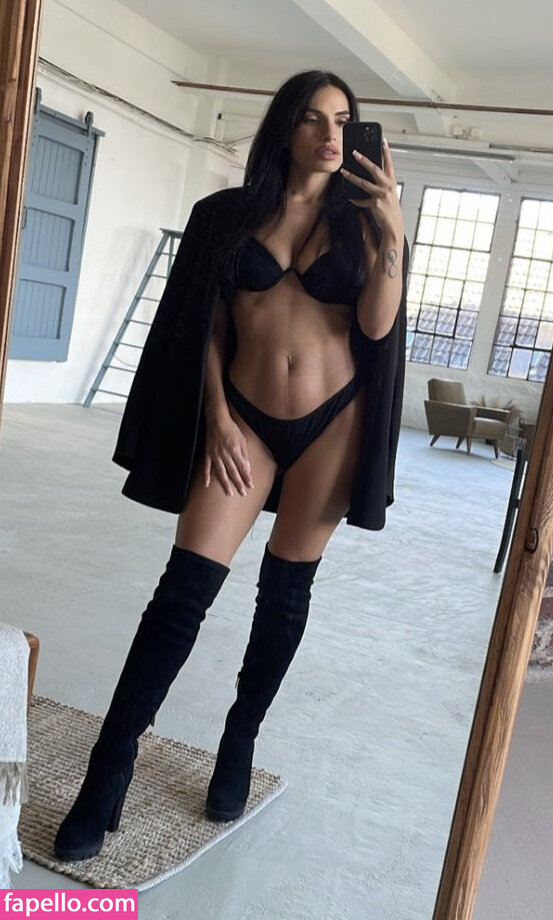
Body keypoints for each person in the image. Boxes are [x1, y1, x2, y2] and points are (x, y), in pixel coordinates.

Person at [54, 69, 407, 862]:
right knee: (182, 593)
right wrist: (215, 414)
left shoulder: (364, 224)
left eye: (343, 121)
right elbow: (206, 325)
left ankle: (239, 738)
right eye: (313, 119)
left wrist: (392, 234)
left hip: (334, 424)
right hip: (241, 416)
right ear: (285, 127)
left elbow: (377, 329)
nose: (330, 135)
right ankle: (109, 766)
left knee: (284, 594)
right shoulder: (223, 216)